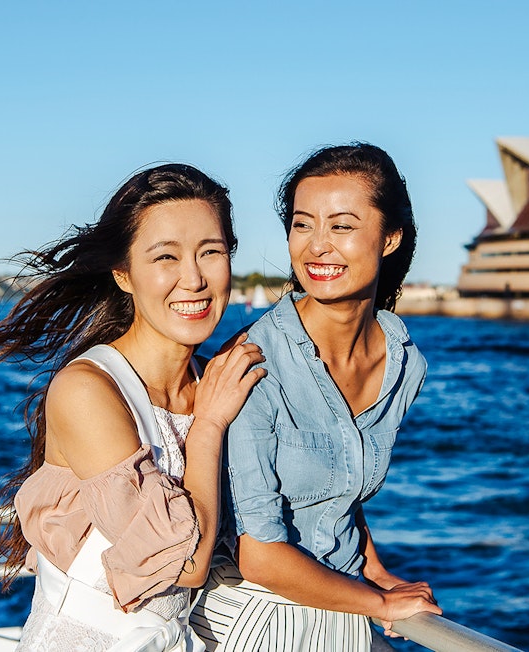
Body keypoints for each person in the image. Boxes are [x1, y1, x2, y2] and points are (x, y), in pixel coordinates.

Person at [0, 163, 266, 651]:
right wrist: (208, 424)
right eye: (166, 257)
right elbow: (183, 566)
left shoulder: (215, 382)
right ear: (124, 274)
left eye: (211, 252)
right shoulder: (87, 390)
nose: (193, 278)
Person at [190, 143, 441, 650]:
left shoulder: (403, 362)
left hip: (343, 609)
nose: (317, 246)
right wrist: (380, 603)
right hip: (254, 617)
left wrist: (378, 572)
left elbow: (338, 491)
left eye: (342, 226)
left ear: (389, 238)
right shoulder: (253, 362)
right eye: (303, 225)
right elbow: (259, 553)